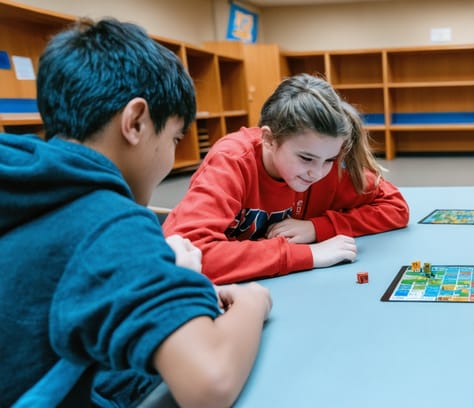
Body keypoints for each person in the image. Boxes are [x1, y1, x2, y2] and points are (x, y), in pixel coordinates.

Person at [0, 19, 272, 408]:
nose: (171, 156)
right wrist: (253, 302)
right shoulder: (109, 223)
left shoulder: (26, 180)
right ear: (136, 121)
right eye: (175, 138)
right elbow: (209, 380)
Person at [162, 74, 410, 285]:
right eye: (306, 158)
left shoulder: (326, 163)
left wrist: (317, 228)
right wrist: (307, 255)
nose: (317, 173)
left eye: (329, 160)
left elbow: (395, 207)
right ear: (269, 139)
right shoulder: (232, 161)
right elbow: (182, 254)